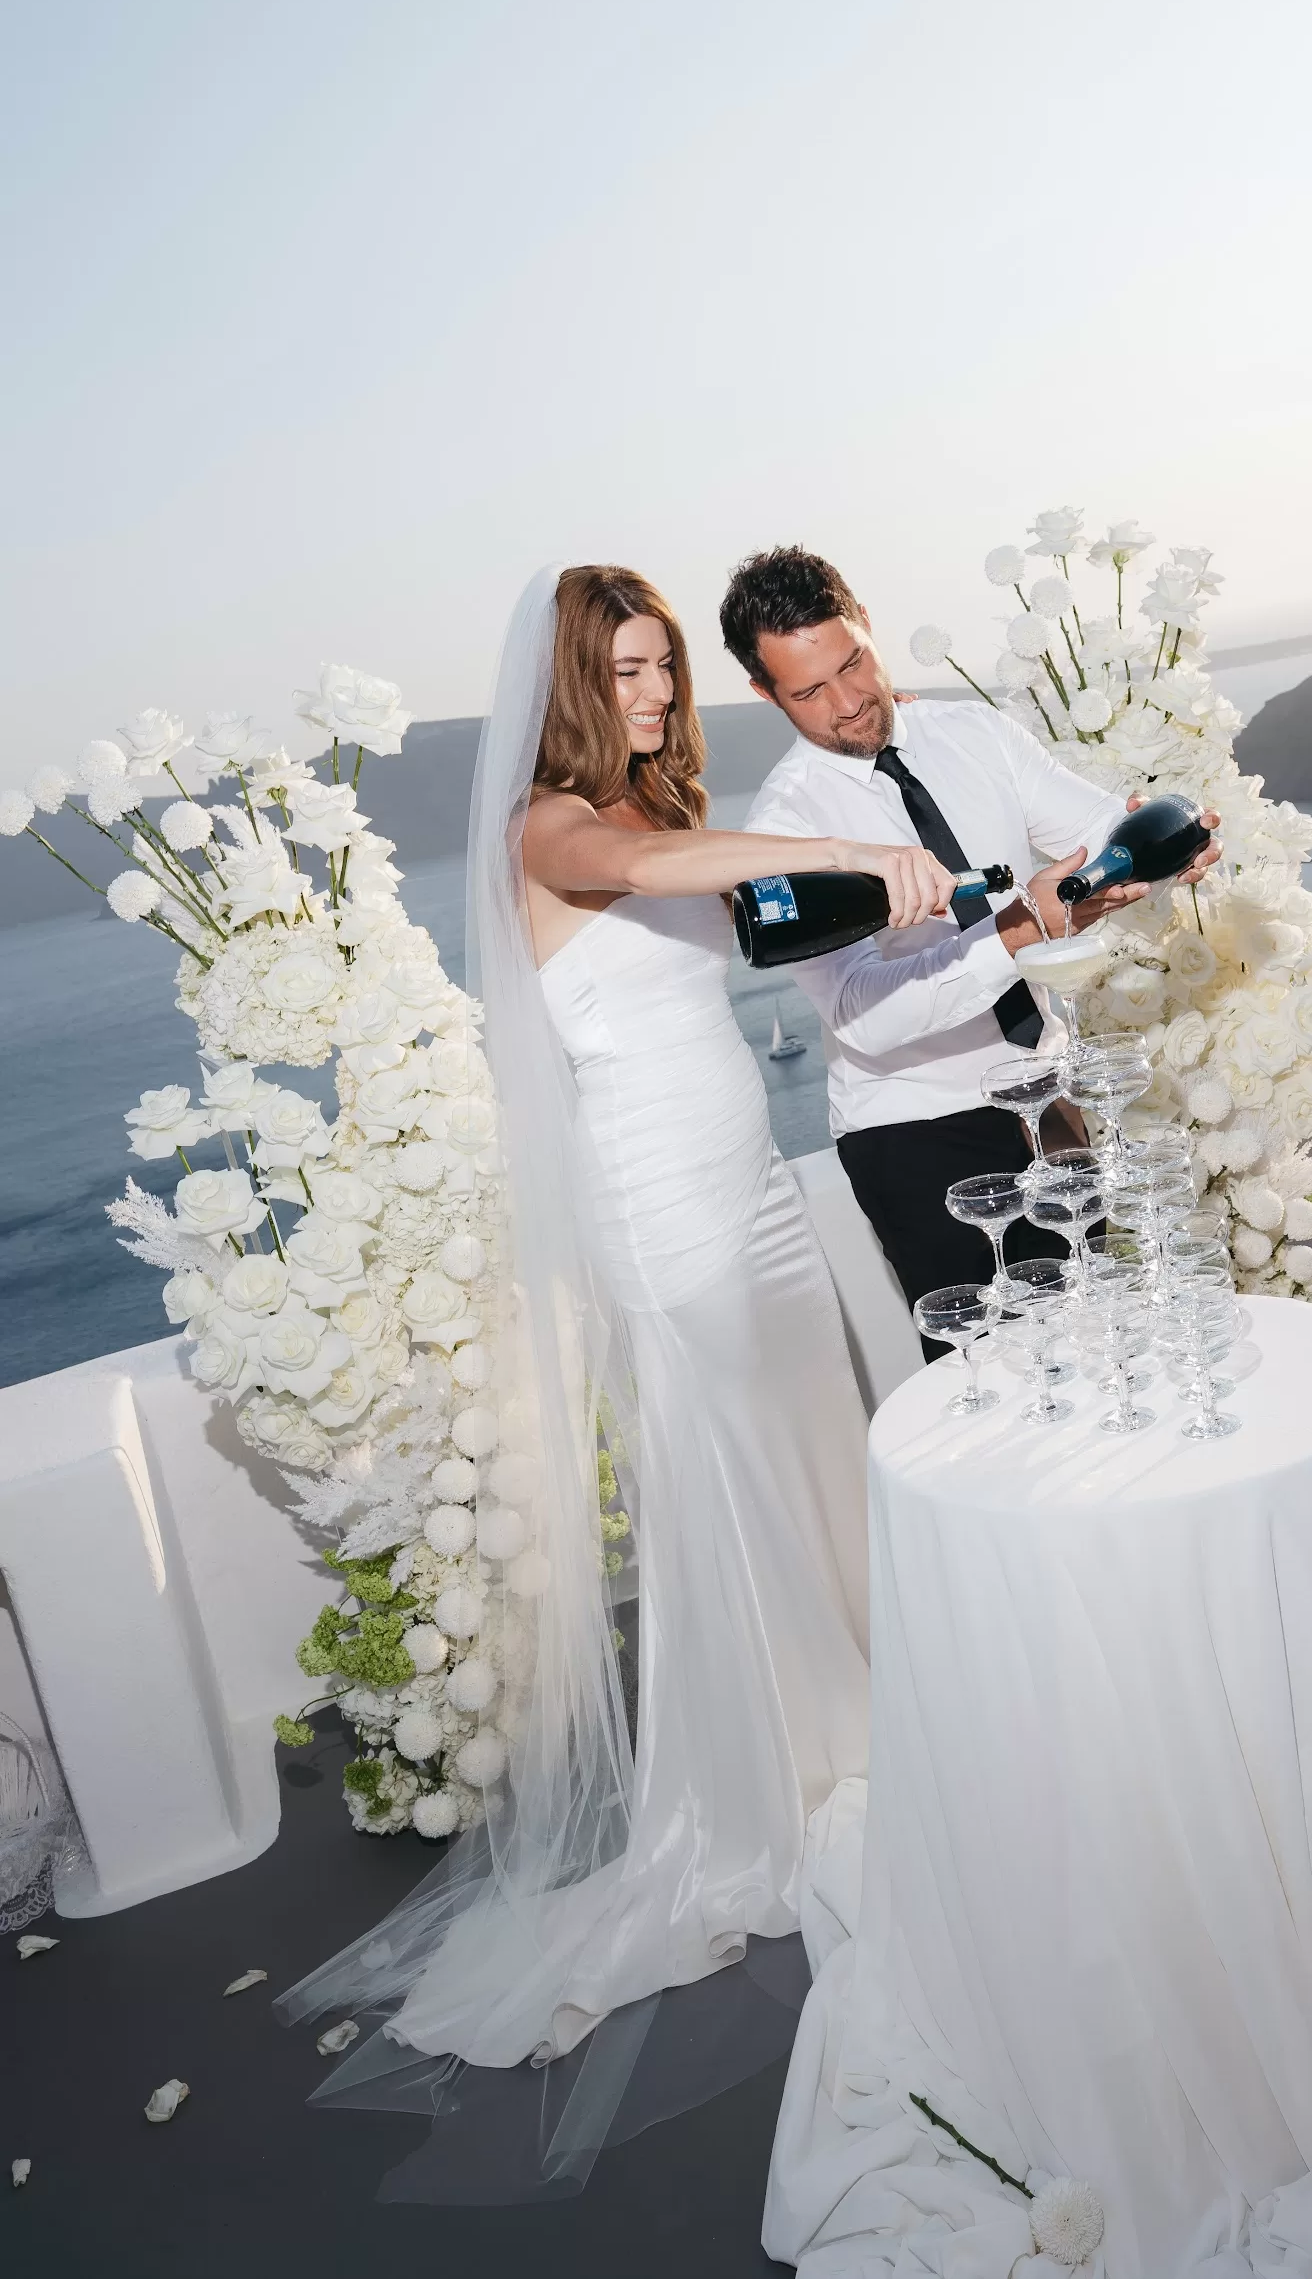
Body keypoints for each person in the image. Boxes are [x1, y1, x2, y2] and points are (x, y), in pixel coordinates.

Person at [279, 563, 959, 2125]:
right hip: (663, 1211)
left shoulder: (644, 820)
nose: (655, 694)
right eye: (630, 671)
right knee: (736, 1481)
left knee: (814, 1446)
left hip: (749, 1179)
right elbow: (704, 864)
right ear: (572, 681)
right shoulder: (549, 827)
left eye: (663, 668)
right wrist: (858, 846)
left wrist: (910, 894)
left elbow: (745, 911)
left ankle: (877, 1707)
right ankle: (782, 1778)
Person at [722, 544, 1220, 1318]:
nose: (848, 702)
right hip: (918, 1132)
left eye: (854, 664)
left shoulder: (974, 734)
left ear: (867, 627)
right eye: (809, 692)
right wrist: (1018, 931)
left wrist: (1159, 851)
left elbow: (1092, 831)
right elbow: (866, 1014)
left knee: (1103, 1324)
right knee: (993, 1374)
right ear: (765, 693)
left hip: (1047, 1096)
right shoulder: (786, 829)